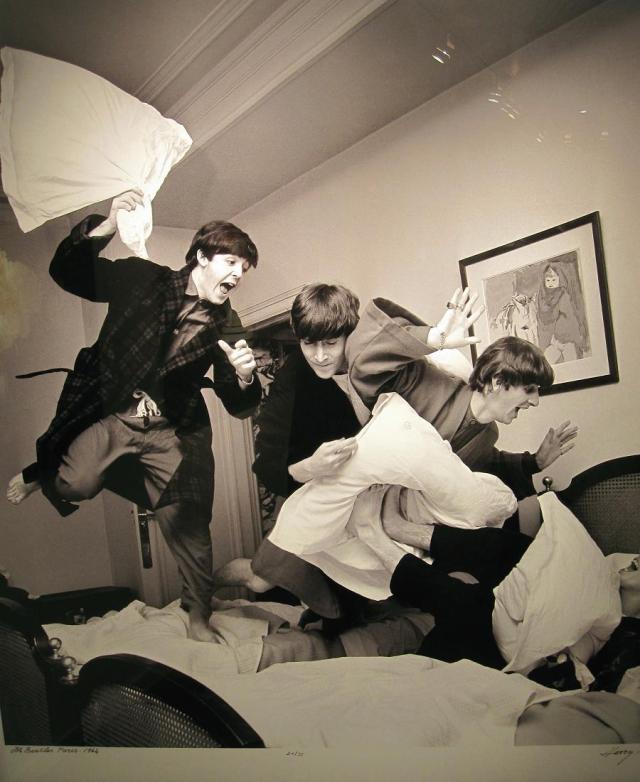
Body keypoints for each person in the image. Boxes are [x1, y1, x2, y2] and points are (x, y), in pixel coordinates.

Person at [213, 286, 577, 619]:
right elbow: (370, 364)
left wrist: (534, 462)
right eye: (530, 390)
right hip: (327, 489)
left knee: (340, 604)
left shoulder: (487, 434)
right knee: (262, 577)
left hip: (375, 514)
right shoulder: (432, 381)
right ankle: (200, 591)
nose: (535, 401)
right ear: (498, 382)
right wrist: (433, 338)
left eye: (330, 344)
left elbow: (481, 469)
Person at [6, 190, 261, 641]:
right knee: (74, 484)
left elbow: (237, 402)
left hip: (171, 428)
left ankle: (197, 615)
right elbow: (68, 272)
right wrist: (107, 225)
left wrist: (244, 377)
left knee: (188, 521)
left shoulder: (229, 323)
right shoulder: (144, 279)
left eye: (244, 268)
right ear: (202, 257)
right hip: (113, 412)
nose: (238, 274)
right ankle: (42, 471)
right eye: (231, 262)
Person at [536, 262, 586, 363]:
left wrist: (575, 338)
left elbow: (571, 318)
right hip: (551, 341)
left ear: (559, 280)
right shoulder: (541, 298)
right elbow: (542, 322)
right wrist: (552, 340)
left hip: (567, 340)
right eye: (548, 280)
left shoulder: (563, 295)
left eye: (554, 280)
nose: (551, 283)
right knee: (545, 364)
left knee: (573, 363)